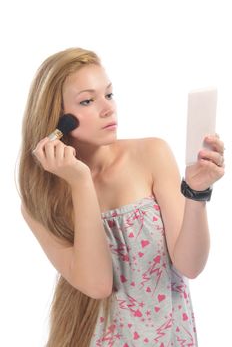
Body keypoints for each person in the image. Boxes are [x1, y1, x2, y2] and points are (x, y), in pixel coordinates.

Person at [19, 47, 225, 347]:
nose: (107, 109)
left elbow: (190, 266)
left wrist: (196, 192)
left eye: (109, 95)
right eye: (88, 101)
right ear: (57, 119)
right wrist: (80, 181)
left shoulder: (151, 154)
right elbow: (98, 284)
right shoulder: (39, 202)